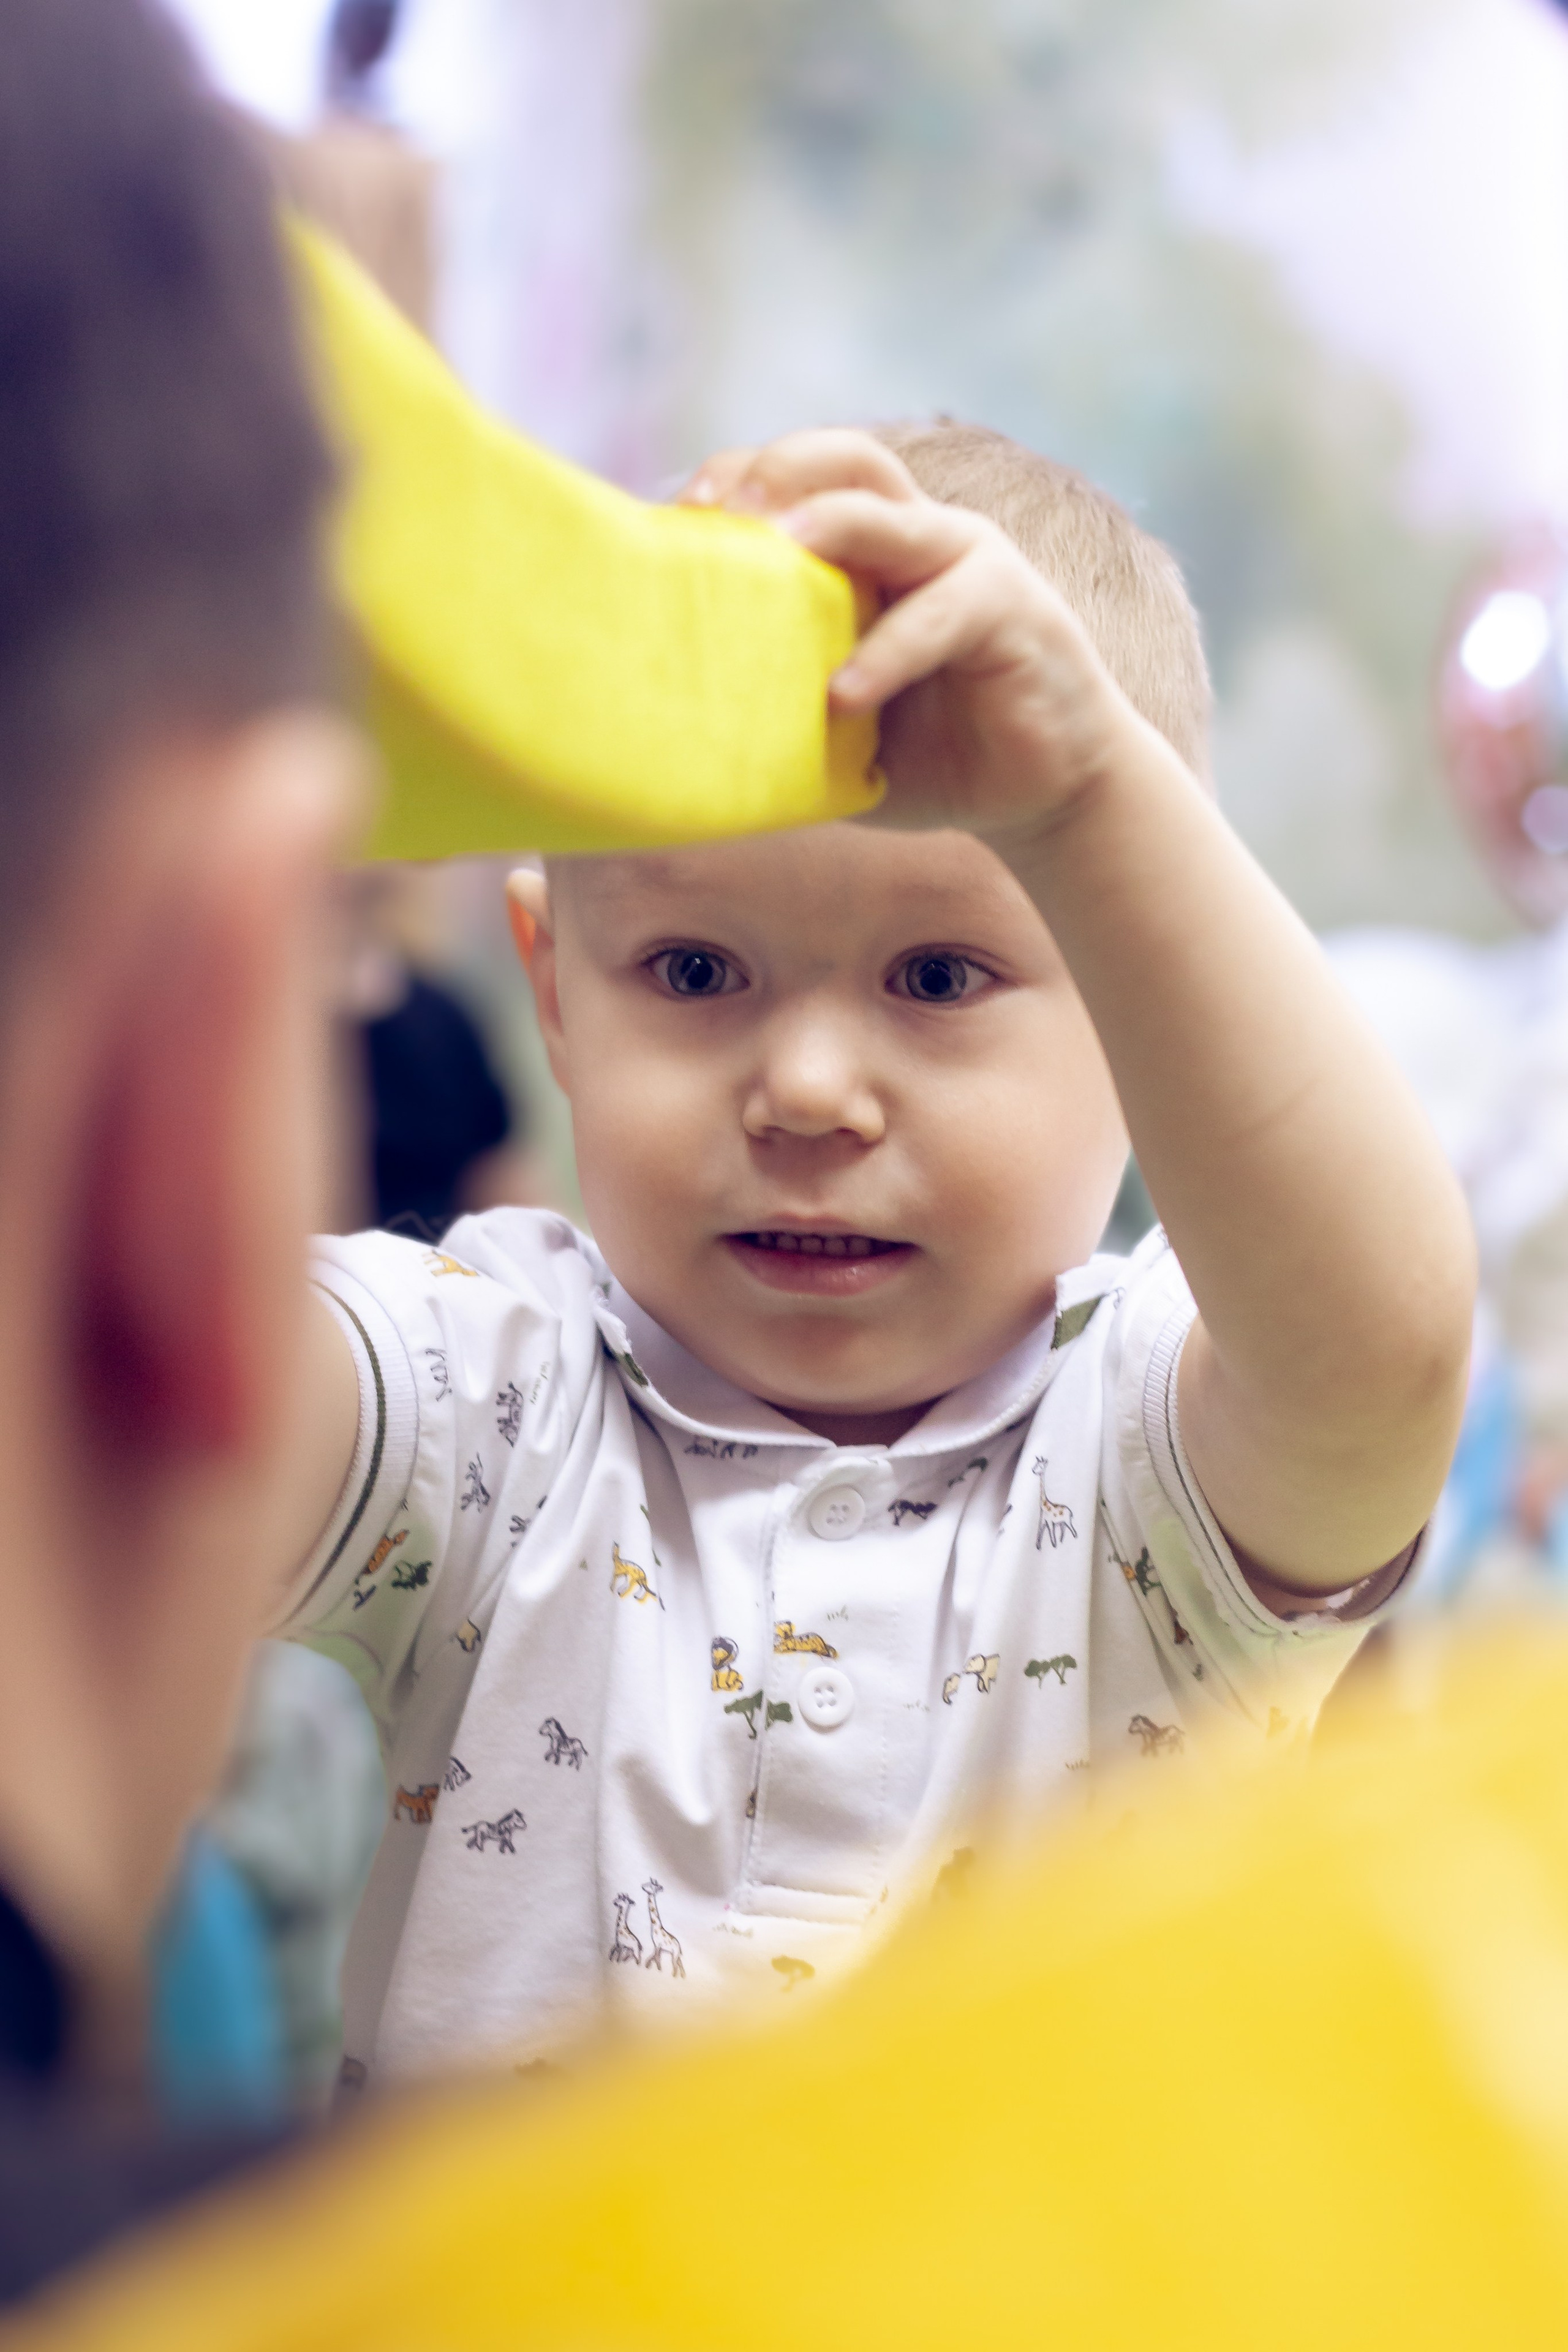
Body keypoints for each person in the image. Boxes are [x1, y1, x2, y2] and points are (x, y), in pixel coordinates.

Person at [274, 417, 1472, 2085]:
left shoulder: (1150, 1459)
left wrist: (1093, 803)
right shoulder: (495, 1394)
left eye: (938, 979)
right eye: (695, 972)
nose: (811, 1092)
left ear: (1147, 1017)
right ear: (554, 989)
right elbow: (154, 1386)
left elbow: (1384, 1358)